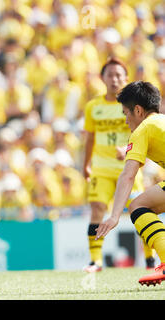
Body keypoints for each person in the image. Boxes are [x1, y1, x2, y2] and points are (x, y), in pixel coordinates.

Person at [82, 58, 152, 273]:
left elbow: (144, 133)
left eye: (119, 75)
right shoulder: (93, 106)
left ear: (126, 78)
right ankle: (96, 261)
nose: (114, 79)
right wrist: (86, 164)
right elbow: (90, 138)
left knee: (140, 209)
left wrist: (127, 150)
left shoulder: (135, 106)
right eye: (110, 75)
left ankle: (150, 259)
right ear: (102, 78)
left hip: (129, 167)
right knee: (97, 209)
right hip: (102, 169)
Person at [96, 81, 165, 286]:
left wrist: (115, 216)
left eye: (126, 113)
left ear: (138, 110)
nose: (126, 120)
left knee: (137, 205)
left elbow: (128, 175)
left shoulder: (142, 129)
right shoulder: (159, 123)